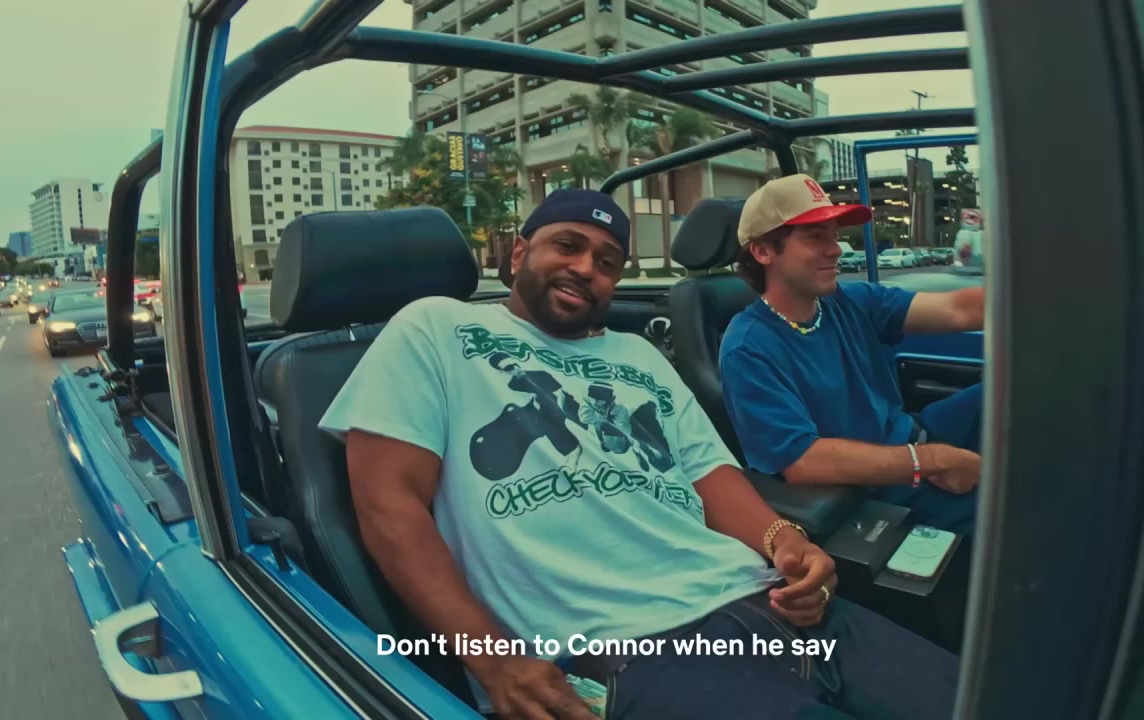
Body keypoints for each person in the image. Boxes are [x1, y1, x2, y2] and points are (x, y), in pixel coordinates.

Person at [320, 189, 958, 720]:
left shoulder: (637, 354)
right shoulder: (435, 327)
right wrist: (495, 661)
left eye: (606, 261)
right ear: (519, 253)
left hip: (762, 600)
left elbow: (710, 473)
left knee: (983, 694)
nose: (585, 268)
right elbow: (389, 506)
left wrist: (787, 543)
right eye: (566, 246)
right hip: (630, 650)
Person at [720, 174, 986, 536]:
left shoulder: (850, 301)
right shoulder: (747, 348)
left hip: (916, 435)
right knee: (1011, 511)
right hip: (875, 489)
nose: (836, 250)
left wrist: (1041, 295)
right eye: (815, 237)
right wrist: (931, 462)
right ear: (763, 251)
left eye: (833, 236)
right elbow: (802, 460)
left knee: (1017, 389)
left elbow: (957, 309)